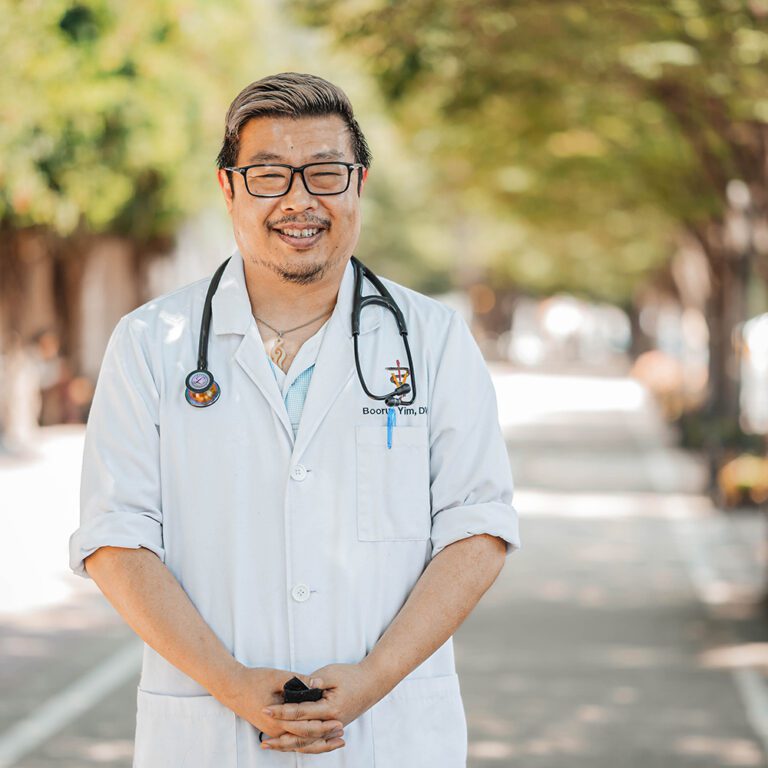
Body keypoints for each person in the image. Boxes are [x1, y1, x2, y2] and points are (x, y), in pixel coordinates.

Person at [69, 72, 522, 767]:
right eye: (269, 176)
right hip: (210, 738)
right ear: (228, 189)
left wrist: (374, 678)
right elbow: (115, 538)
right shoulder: (148, 342)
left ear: (359, 184)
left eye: (325, 173)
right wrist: (232, 684)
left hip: (391, 736)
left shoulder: (432, 339)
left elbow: (478, 526)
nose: (299, 200)